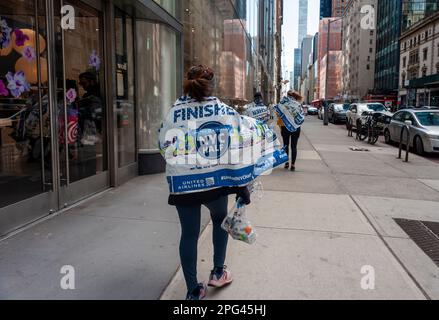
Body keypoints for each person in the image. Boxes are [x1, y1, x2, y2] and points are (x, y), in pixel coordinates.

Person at [166, 65, 251, 300]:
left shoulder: (174, 112)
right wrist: (241, 185)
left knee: (189, 234)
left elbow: (164, 145)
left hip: (185, 184)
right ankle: (218, 272)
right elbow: (238, 148)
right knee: (220, 221)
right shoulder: (224, 110)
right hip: (216, 183)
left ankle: (193, 289)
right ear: (210, 85)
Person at [277, 90, 304, 172]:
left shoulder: (283, 103)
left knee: (286, 145)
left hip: (285, 127)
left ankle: (286, 163)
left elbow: (278, 114)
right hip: (296, 128)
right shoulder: (298, 104)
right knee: (294, 146)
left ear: (287, 95)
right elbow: (301, 116)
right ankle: (293, 165)